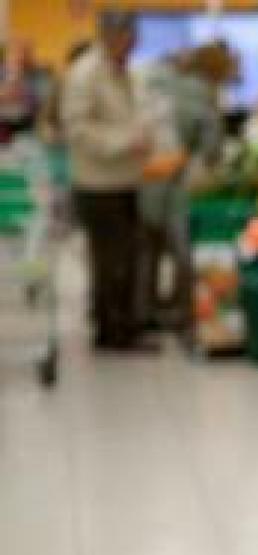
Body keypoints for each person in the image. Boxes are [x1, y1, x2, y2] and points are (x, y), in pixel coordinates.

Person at [63, 13, 153, 351]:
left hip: (125, 179)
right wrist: (126, 142)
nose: (133, 44)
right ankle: (114, 333)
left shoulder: (125, 72)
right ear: (110, 36)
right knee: (111, 261)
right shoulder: (85, 74)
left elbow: (129, 115)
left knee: (125, 259)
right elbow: (78, 130)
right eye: (128, 36)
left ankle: (119, 327)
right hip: (97, 184)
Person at [138, 42, 235, 330]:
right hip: (177, 183)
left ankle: (144, 310)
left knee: (147, 251)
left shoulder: (164, 85)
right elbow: (212, 149)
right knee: (183, 251)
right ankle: (183, 311)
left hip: (142, 176)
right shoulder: (204, 96)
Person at [0, 41, 50, 141]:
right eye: (16, 53)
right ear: (8, 56)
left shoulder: (39, 75)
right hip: (4, 125)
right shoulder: (2, 73)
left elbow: (44, 101)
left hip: (29, 125)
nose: (20, 57)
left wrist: (25, 93)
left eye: (25, 53)